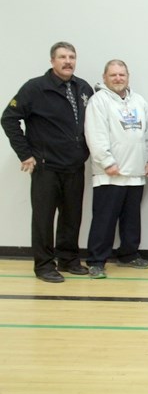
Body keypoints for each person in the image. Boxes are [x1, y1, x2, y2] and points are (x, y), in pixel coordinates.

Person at [2, 41, 93, 282]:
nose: (68, 62)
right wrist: (25, 153)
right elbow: (9, 119)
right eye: (62, 57)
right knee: (43, 218)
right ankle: (43, 265)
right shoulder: (35, 88)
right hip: (46, 166)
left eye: (72, 57)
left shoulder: (83, 88)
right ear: (52, 61)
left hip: (74, 165)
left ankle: (68, 259)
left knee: (72, 216)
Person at [84, 60, 148, 278]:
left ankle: (129, 254)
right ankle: (96, 261)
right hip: (109, 174)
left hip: (135, 172)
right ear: (105, 77)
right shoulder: (99, 101)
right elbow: (95, 135)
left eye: (122, 74)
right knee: (104, 220)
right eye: (113, 75)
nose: (118, 78)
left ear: (128, 76)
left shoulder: (139, 101)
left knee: (131, 218)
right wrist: (107, 161)